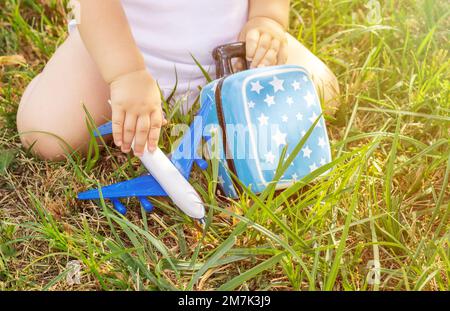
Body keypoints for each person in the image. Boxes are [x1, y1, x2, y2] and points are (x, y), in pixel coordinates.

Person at [17, 0, 339, 161]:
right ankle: (53, 82)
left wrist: (267, 19)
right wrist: (125, 73)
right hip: (121, 51)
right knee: (46, 134)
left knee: (322, 91)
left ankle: (220, 100)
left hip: (234, 51)